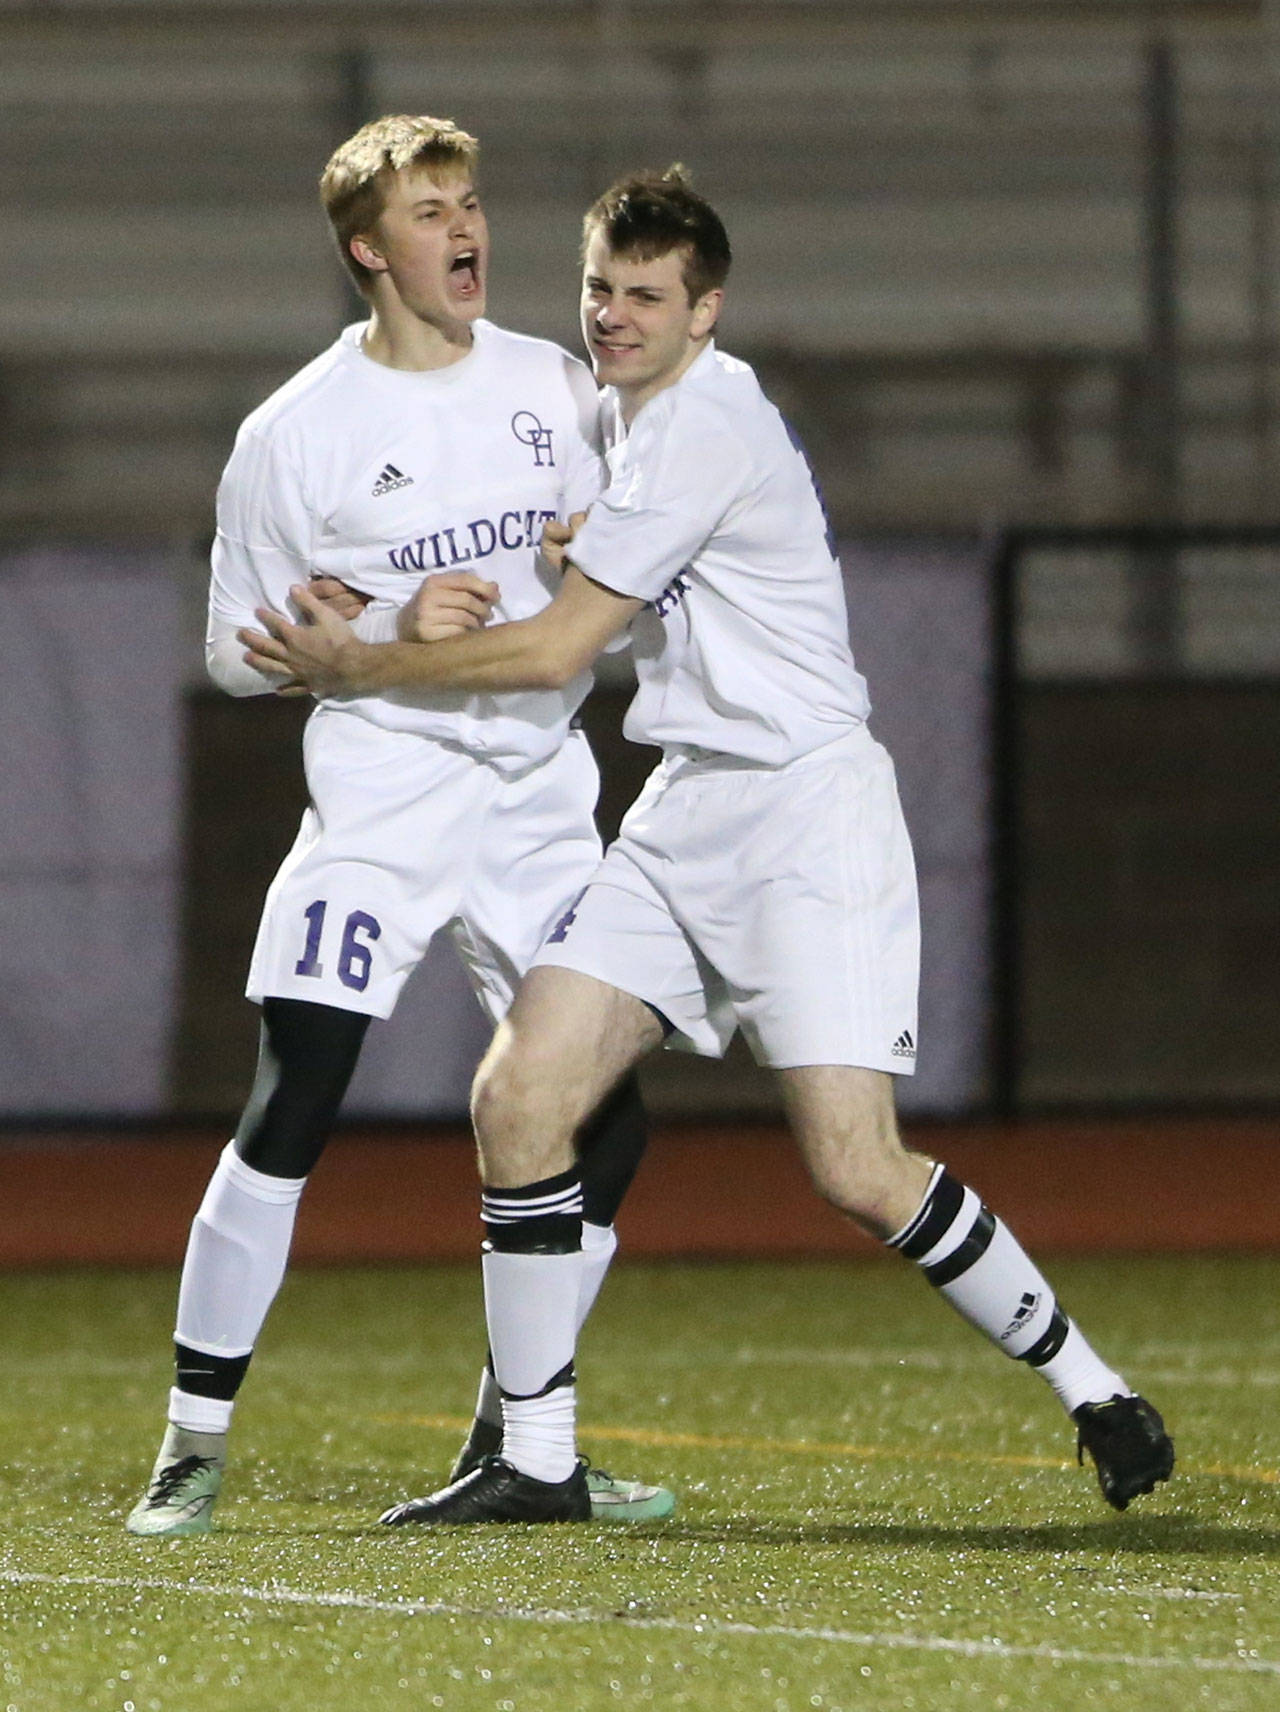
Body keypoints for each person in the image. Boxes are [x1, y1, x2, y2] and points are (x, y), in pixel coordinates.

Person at [243, 168, 1176, 1527]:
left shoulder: (700, 422)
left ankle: (1096, 1390)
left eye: (648, 296)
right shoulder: (632, 428)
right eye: (600, 289)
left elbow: (564, 644)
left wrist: (362, 662)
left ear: (707, 310)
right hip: (687, 809)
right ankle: (535, 1461)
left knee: (857, 1168)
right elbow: (627, 599)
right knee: (519, 1100)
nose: (614, 318)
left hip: (804, 812)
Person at [124, 116, 675, 1538]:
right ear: (371, 249)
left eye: (472, 203)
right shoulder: (294, 435)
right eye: (432, 212)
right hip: (380, 802)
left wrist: (589, 572)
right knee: (296, 1095)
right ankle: (193, 1441)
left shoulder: (557, 388)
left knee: (602, 1119)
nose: (465, 230)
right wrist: (376, 622)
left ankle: (522, 1438)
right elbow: (237, 655)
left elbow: (620, 592)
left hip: (541, 807)